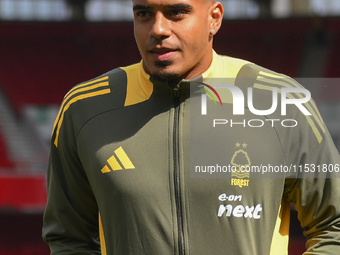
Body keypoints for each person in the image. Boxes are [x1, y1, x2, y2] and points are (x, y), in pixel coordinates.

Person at [42, 0, 340, 254]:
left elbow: (333, 225)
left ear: (214, 18)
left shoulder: (278, 100)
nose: (158, 29)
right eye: (144, 13)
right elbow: (69, 239)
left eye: (177, 13)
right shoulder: (85, 109)